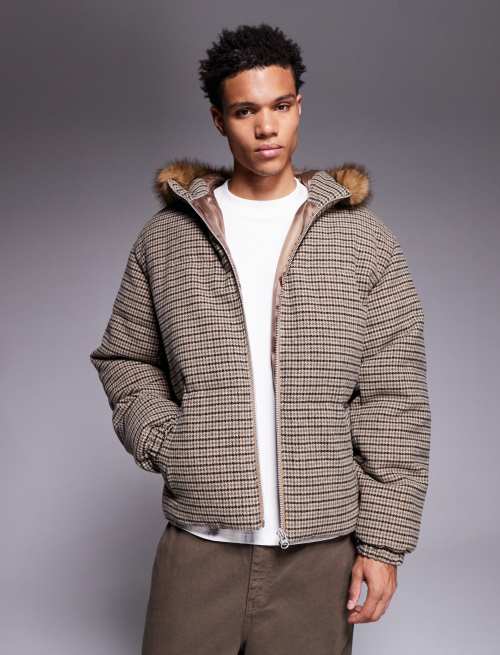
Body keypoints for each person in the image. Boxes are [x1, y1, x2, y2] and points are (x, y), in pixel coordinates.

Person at [89, 22, 431, 655]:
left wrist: (384, 543)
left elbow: (394, 399)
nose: (266, 127)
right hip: (199, 545)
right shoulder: (168, 240)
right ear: (219, 120)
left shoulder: (364, 241)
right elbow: (126, 357)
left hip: (320, 553)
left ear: (299, 106)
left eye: (281, 105)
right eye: (246, 111)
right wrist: (171, 443)